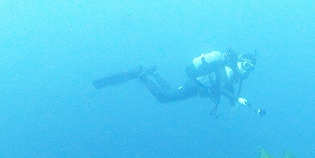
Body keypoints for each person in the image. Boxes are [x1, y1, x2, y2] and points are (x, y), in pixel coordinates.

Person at [93, 50, 264, 116]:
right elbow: (222, 88)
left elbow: (227, 88)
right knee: (163, 98)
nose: (247, 71)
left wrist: (233, 102)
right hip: (196, 86)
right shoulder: (227, 70)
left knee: (169, 92)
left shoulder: (233, 74)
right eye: (246, 66)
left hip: (197, 89)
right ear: (240, 61)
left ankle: (154, 73)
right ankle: (141, 74)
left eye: (250, 69)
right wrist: (236, 99)